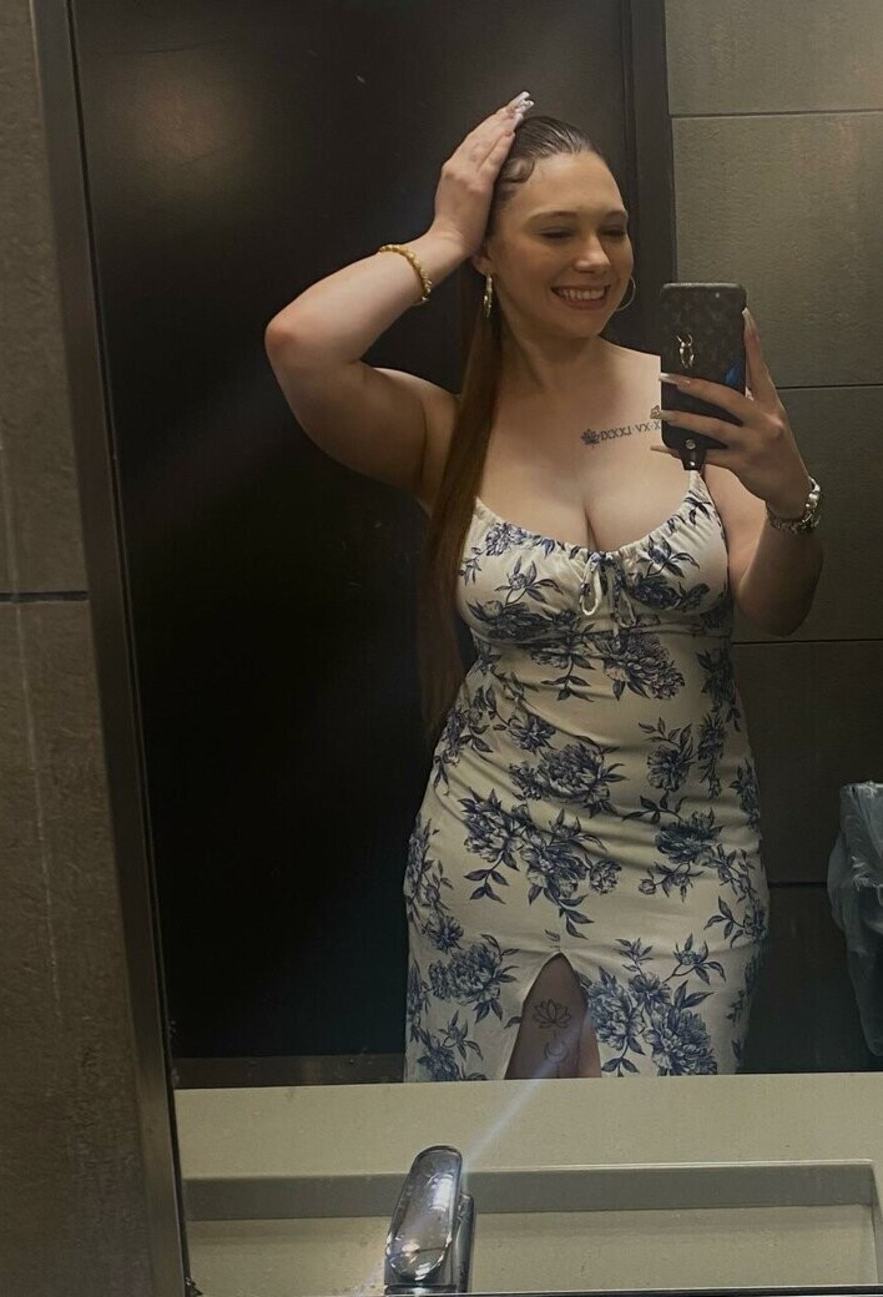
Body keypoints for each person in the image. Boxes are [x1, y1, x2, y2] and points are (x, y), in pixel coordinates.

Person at [264, 95, 822, 1079]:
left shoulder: (693, 402)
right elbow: (301, 345)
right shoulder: (446, 431)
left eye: (614, 229)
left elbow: (777, 607)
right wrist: (441, 238)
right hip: (494, 846)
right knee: (488, 1140)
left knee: (663, 1150)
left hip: (688, 855)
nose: (597, 258)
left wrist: (790, 502)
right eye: (557, 232)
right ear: (490, 252)